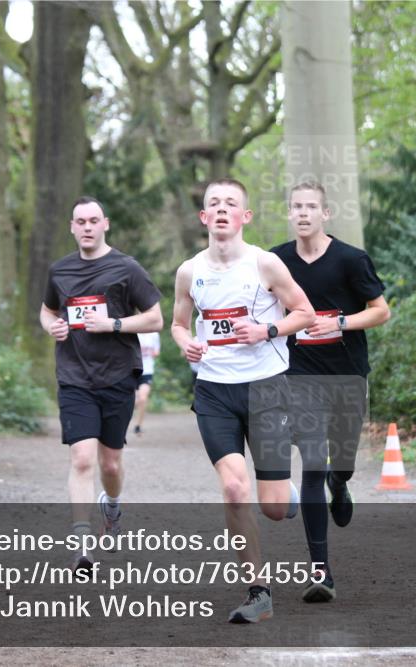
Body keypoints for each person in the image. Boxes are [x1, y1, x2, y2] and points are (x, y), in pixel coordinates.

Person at [171, 178, 316, 623]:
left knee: (272, 507)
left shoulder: (266, 264)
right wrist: (185, 344)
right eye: (212, 203)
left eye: (230, 203)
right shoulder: (189, 271)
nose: (220, 209)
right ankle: (258, 592)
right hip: (214, 391)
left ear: (244, 216)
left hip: (266, 389)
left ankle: (285, 493)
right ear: (203, 217)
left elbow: (306, 313)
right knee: (235, 489)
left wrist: (267, 330)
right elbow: (178, 323)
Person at [270, 181, 391, 603]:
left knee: (341, 460)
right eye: (296, 207)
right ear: (290, 213)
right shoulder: (276, 260)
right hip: (299, 377)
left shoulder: (351, 260)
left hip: (348, 376)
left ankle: (342, 484)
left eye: (311, 207)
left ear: (325, 214)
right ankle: (320, 571)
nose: (303, 213)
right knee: (312, 464)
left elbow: (381, 311)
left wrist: (338, 323)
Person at [40, 195, 163, 571]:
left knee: (110, 464)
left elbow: (156, 318)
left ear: (105, 224)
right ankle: (81, 545)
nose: (88, 227)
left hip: (116, 375)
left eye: (94, 220)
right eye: (81, 222)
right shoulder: (59, 271)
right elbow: (47, 311)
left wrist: (114, 324)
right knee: (81, 459)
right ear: (72, 227)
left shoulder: (126, 268)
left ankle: (111, 504)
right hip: (74, 377)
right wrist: (53, 327)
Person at [132, 332, 161, 435]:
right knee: (132, 401)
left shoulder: (154, 335)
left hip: (147, 371)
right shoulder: (133, 332)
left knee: (142, 398)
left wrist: (152, 353)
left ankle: (138, 426)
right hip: (132, 371)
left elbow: (157, 351)